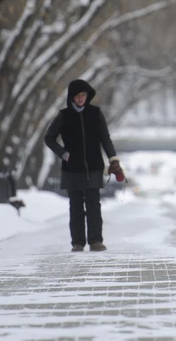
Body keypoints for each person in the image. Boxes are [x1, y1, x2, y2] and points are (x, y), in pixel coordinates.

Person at [44, 78, 124, 252]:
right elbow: (49, 138)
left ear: (87, 96)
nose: (80, 98)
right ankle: (78, 242)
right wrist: (63, 154)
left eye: (83, 95)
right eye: (77, 95)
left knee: (94, 205)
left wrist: (113, 159)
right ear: (71, 97)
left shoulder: (95, 113)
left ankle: (95, 240)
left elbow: (105, 138)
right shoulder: (64, 116)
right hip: (72, 169)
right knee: (76, 207)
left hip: (94, 167)